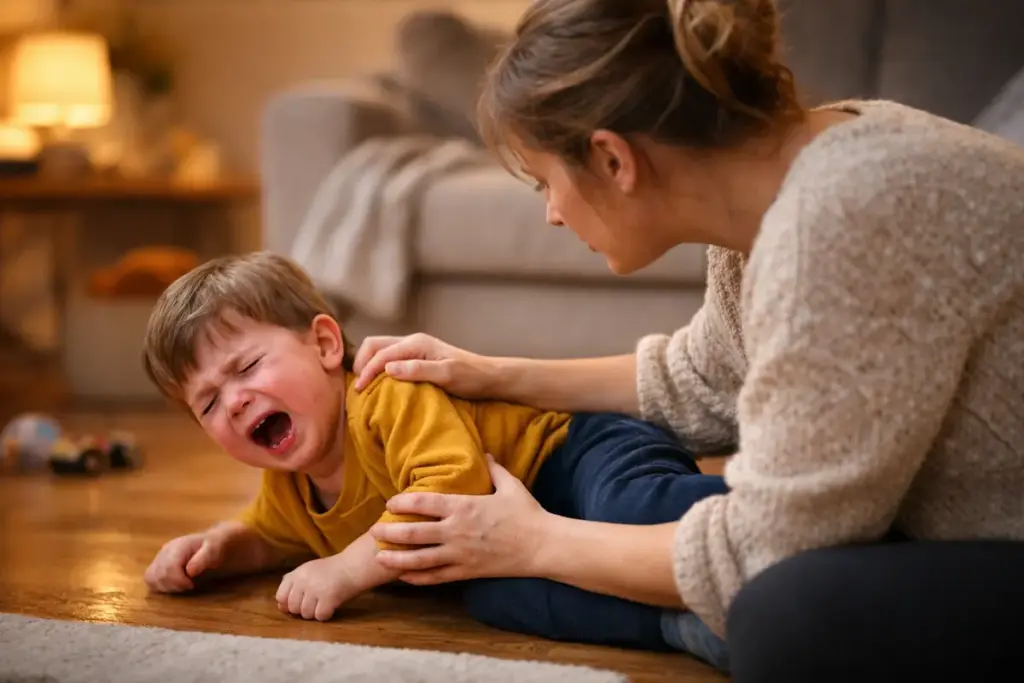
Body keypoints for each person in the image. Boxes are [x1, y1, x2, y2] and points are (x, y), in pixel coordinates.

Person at [351, 0, 1024, 679]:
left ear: (613, 159)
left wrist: (535, 541)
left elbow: (767, 550)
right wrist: (490, 373)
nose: (552, 213)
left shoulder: (845, 218)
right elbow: (700, 379)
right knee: (519, 578)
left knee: (783, 613)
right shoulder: (785, 186)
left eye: (545, 183)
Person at [138, 250, 732, 666]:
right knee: (494, 599)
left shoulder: (382, 396)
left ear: (324, 344)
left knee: (629, 506)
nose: (236, 401)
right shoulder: (291, 488)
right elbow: (270, 537)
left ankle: (767, 525)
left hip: (575, 456)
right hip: (509, 536)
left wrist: (347, 568)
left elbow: (453, 486)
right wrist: (218, 549)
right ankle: (686, 625)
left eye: (246, 368)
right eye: (209, 403)